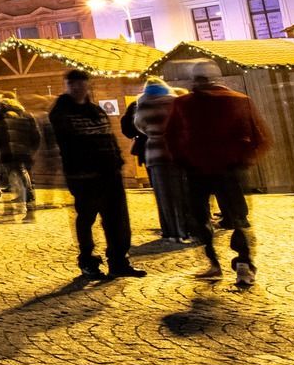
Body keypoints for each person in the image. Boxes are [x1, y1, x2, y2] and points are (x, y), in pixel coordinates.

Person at [167, 64, 272, 289]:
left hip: (196, 170)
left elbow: (172, 138)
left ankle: (213, 263)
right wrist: (246, 159)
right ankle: (244, 264)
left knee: (200, 218)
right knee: (238, 219)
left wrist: (182, 161)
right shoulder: (239, 100)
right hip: (230, 169)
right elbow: (261, 137)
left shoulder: (183, 103)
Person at [48, 70, 144, 280]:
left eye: (81, 83)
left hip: (110, 173)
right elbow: (67, 144)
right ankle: (87, 260)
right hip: (84, 176)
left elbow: (109, 138)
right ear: (67, 86)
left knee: (116, 219)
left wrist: (117, 161)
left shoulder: (96, 111)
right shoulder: (61, 112)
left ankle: (119, 261)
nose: (78, 88)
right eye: (73, 84)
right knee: (87, 218)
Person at [130, 82, 190, 243]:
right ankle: (185, 229)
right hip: (176, 149)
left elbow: (139, 126)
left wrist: (153, 132)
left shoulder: (143, 104)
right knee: (182, 191)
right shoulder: (175, 102)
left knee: (163, 194)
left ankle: (170, 231)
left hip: (155, 151)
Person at [0, 99, 41, 220]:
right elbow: (36, 136)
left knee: (8, 183)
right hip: (24, 154)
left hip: (7, 153)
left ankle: (9, 212)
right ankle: (30, 210)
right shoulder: (27, 115)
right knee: (25, 182)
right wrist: (32, 150)